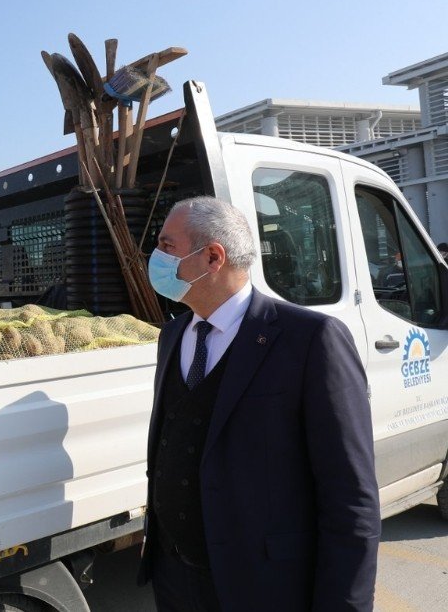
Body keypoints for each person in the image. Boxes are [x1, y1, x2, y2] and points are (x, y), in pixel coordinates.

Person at [138, 196, 380, 611]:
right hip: (175, 578)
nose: (156, 257)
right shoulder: (173, 336)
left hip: (262, 586)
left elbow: (350, 497)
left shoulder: (310, 339)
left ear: (213, 257)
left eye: (167, 245)